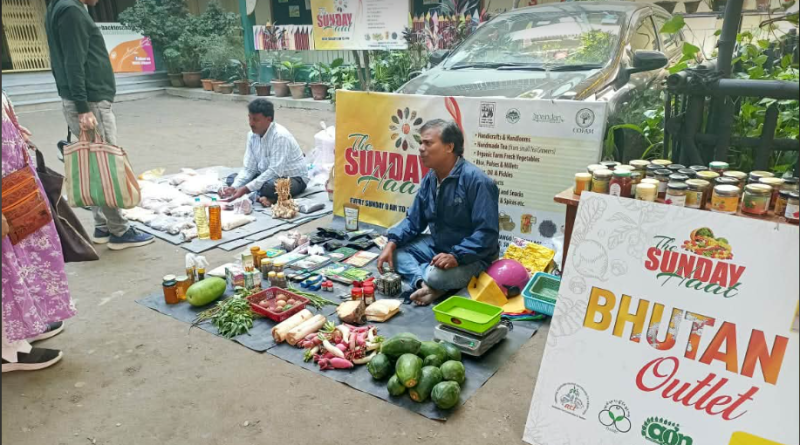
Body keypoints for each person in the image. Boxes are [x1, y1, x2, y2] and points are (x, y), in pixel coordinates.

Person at [45, 0, 154, 250]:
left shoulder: (59, 7)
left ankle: (103, 225)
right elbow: (73, 62)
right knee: (106, 164)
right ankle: (119, 230)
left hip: (82, 99)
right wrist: (83, 107)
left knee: (92, 164)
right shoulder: (71, 10)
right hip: (90, 102)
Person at [377, 119, 500, 306]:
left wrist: (456, 256)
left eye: (428, 143)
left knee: (436, 276)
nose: (421, 148)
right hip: (438, 246)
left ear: (449, 147)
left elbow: (486, 234)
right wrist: (392, 242)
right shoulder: (430, 179)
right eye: (420, 143)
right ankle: (423, 285)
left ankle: (433, 282)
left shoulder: (477, 181)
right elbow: (414, 221)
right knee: (393, 253)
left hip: (473, 257)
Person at [2, 92, 75, 372]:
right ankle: (9, 350)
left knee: (23, 257)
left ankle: (26, 324)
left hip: (13, 183)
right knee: (6, 266)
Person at [220, 99, 309, 205]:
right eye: (250, 118)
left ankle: (270, 198)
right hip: (266, 175)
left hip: (294, 179)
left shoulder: (280, 136)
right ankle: (262, 196)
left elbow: (275, 171)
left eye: (256, 120)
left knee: (270, 187)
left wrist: (246, 189)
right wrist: (235, 187)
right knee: (232, 179)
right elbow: (249, 168)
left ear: (268, 119)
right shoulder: (252, 136)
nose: (251, 123)